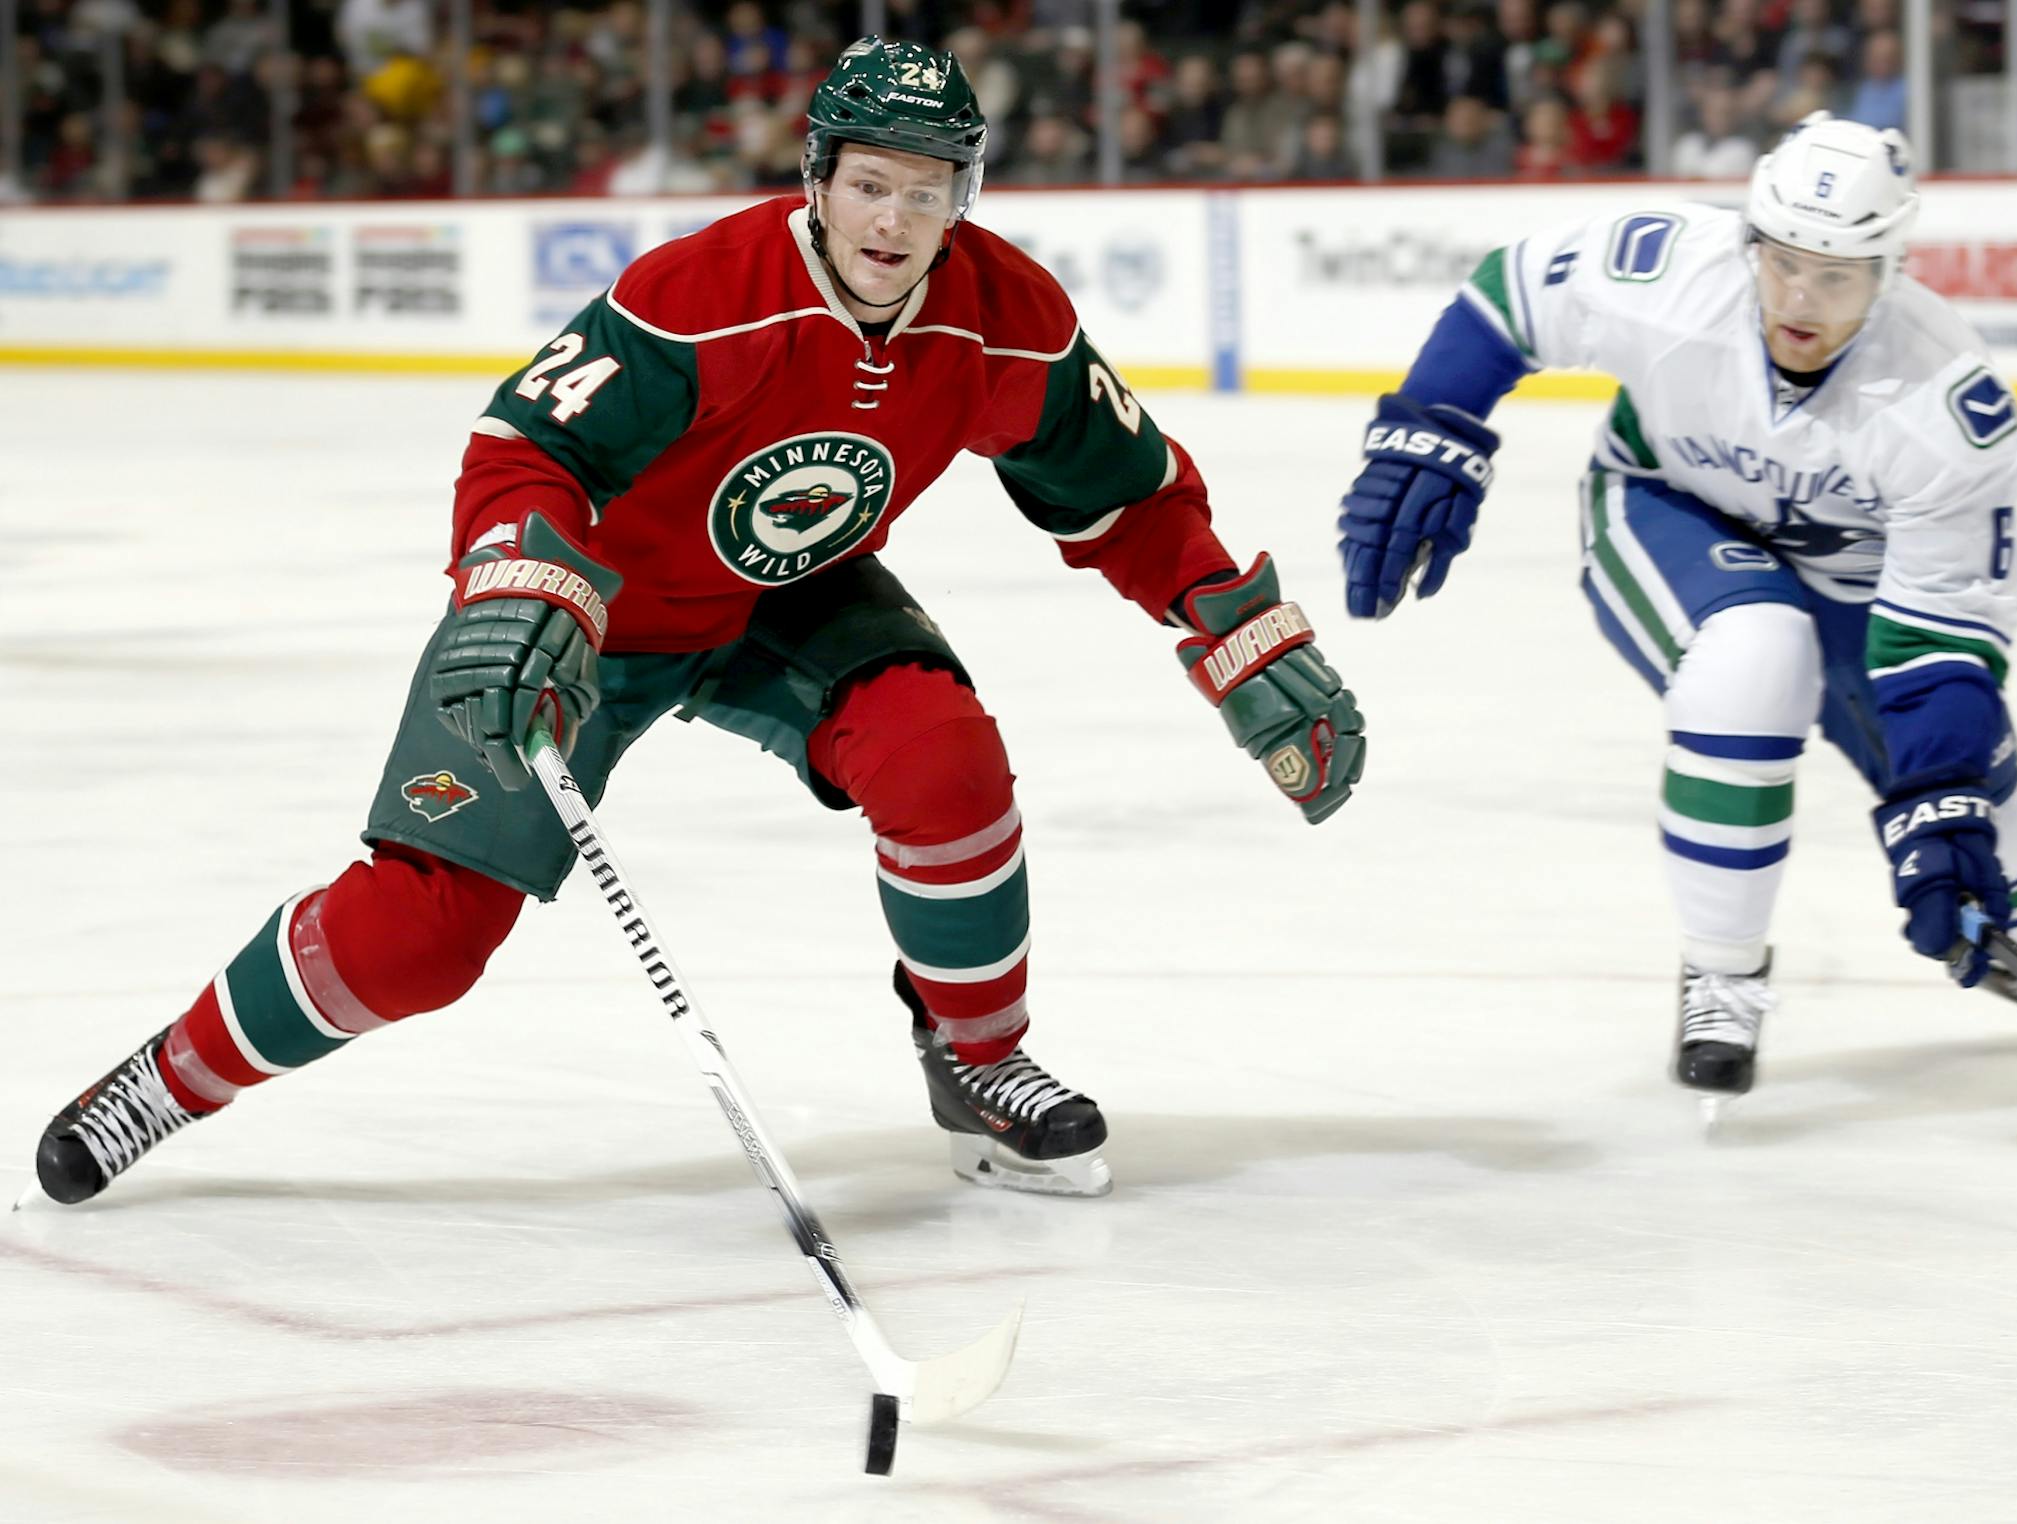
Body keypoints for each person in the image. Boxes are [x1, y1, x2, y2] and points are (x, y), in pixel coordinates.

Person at [33, 37, 1364, 1207]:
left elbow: (1128, 498)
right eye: (869, 184)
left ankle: (977, 1061)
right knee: (420, 939)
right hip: (583, 611)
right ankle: (168, 1079)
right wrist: (520, 583)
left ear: (966, 196)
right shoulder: (702, 295)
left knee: (942, 760)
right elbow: (525, 446)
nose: (894, 222)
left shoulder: (1007, 318)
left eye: (928, 189)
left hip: (788, 595)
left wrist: (1233, 629)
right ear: (817, 179)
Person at [1331, 112, 2017, 1106]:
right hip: (1667, 507)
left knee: (1994, 840)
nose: (1800, 299)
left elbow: (1940, 636)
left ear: (1888, 270)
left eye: (1836, 275)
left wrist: (1938, 794)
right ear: (1750, 238)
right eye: (1784, 263)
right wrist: (1430, 424)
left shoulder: (1946, 406)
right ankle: (1723, 968)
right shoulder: (1674, 269)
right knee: (1755, 656)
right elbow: (1510, 295)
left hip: (1860, 573)